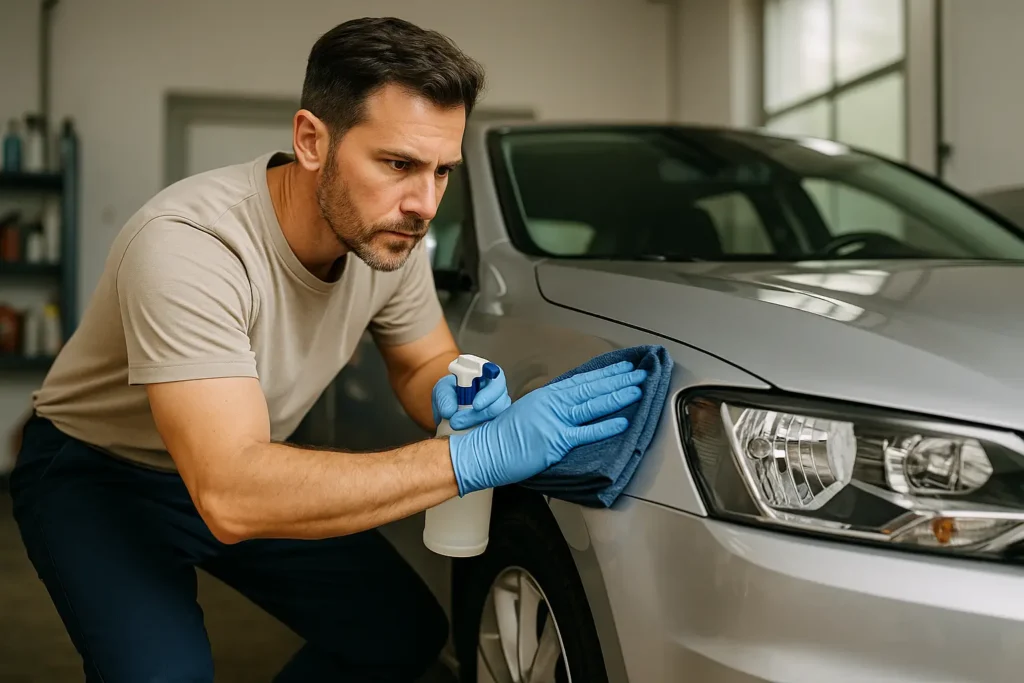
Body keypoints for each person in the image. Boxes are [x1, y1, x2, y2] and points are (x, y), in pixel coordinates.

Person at [7, 16, 646, 683]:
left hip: (238, 465)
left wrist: (454, 390)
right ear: (312, 140)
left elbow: (420, 361)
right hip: (98, 473)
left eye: (442, 172)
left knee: (400, 633)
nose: (425, 204)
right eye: (398, 164)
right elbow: (231, 492)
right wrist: (474, 455)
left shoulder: (387, 238)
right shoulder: (190, 245)